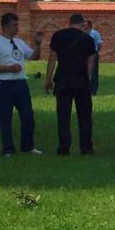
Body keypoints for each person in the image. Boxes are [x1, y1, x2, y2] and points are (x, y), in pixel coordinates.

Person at [0, 13, 43, 156]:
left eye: (18, 25)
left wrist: (38, 45)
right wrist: (9, 68)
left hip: (21, 84)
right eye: (14, 25)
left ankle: (28, 146)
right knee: (6, 117)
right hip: (4, 85)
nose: (17, 28)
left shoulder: (19, 42)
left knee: (28, 115)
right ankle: (8, 148)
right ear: (5, 26)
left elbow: (33, 57)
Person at [45, 12, 97, 155]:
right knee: (85, 115)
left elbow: (52, 59)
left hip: (63, 79)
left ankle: (64, 147)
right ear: (82, 24)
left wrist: (48, 80)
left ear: (69, 22)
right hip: (81, 80)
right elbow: (91, 62)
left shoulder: (57, 36)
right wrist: (87, 77)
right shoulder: (88, 39)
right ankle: (86, 147)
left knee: (63, 116)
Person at [84, 19, 102, 94]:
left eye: (85, 25)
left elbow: (99, 44)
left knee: (94, 72)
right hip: (84, 54)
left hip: (93, 54)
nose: (84, 26)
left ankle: (93, 90)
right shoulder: (83, 33)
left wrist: (96, 51)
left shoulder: (95, 33)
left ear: (89, 25)